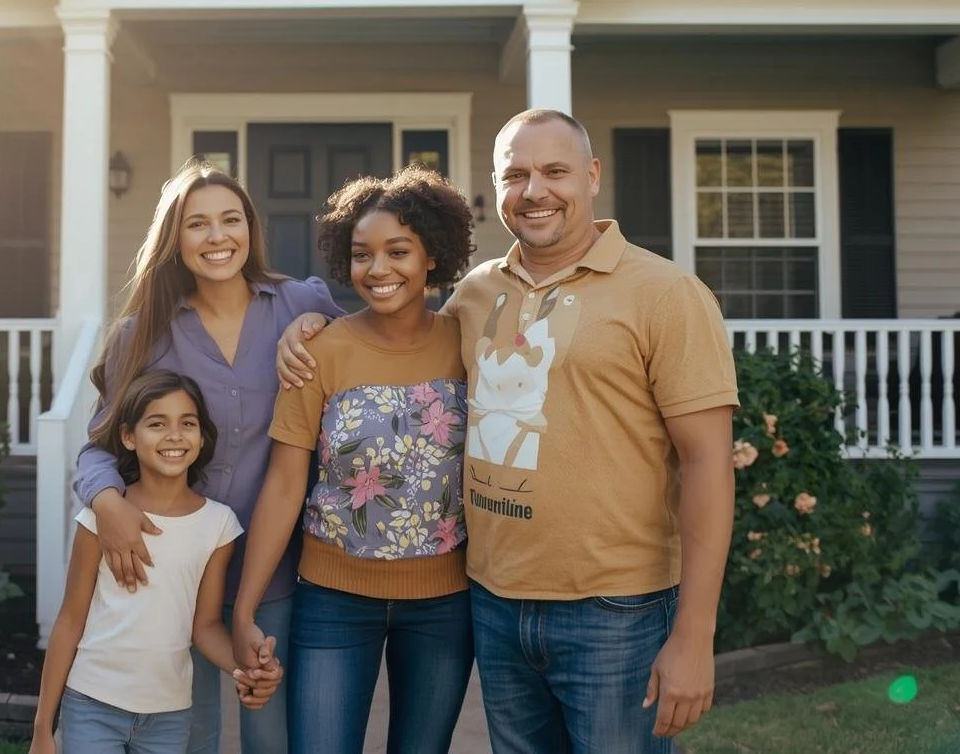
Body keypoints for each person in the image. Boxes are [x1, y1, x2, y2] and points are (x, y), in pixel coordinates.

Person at [278, 109, 739, 753]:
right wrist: (309, 324)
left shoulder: (664, 294)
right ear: (496, 187)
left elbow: (709, 464)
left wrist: (695, 633)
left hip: (615, 611)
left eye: (555, 172)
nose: (534, 191)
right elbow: (395, 329)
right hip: (494, 603)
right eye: (515, 175)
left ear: (593, 175)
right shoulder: (476, 293)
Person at [73, 159, 344, 754]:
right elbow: (97, 448)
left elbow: (367, 361)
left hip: (271, 566)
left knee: (268, 727)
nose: (217, 237)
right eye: (198, 224)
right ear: (176, 238)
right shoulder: (142, 332)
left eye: (230, 219)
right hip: (171, 570)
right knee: (186, 734)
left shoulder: (299, 301)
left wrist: (319, 320)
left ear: (250, 227)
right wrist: (107, 502)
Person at [234, 165, 478, 754]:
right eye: (363, 254)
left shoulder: (469, 343)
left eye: (399, 251)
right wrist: (245, 608)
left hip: (445, 605)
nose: (379, 269)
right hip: (332, 599)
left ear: (431, 257)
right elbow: (285, 485)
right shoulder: (319, 351)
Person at [32, 370, 283, 754]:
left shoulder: (219, 525)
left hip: (168, 717)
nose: (175, 435)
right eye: (156, 423)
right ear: (129, 437)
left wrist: (244, 669)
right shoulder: (103, 516)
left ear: (202, 436)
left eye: (187, 423)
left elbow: (206, 626)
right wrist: (42, 730)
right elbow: (69, 621)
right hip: (92, 704)